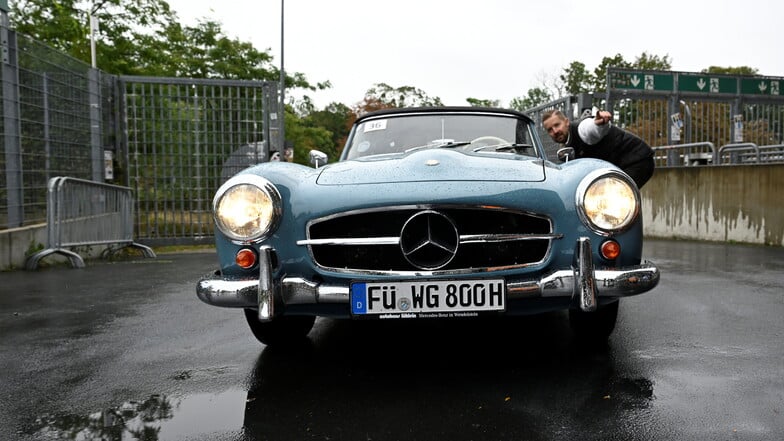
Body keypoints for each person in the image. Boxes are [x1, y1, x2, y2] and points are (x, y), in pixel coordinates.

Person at [541, 109, 655, 189]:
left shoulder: (581, 130)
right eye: (550, 130)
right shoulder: (567, 146)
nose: (555, 131)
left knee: (612, 198)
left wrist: (599, 124)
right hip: (621, 167)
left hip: (637, 160)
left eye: (557, 125)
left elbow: (590, 129)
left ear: (566, 122)